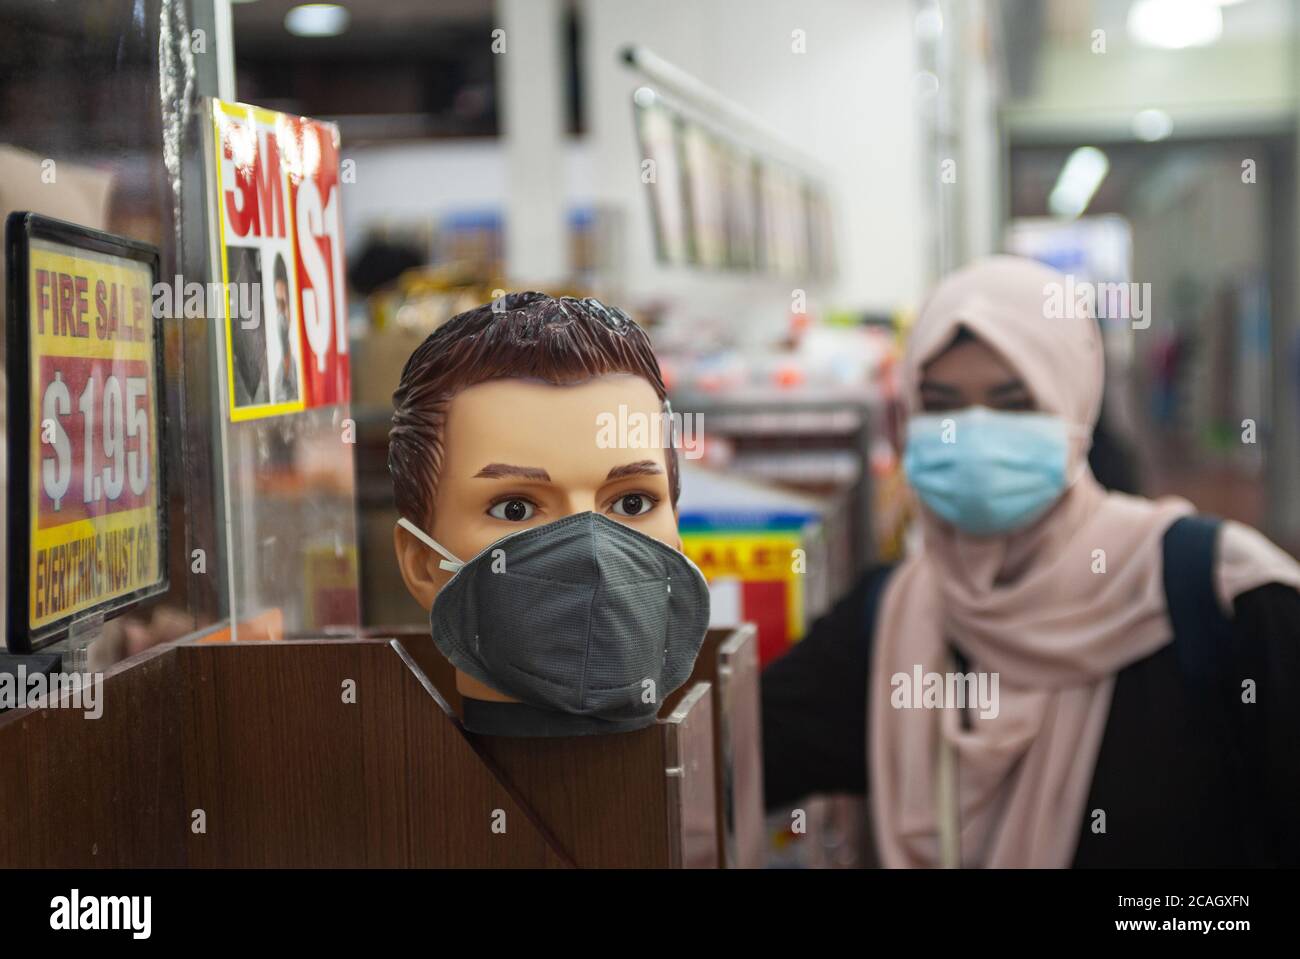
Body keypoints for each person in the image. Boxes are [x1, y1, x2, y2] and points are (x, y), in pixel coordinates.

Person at [762, 255, 1300, 868]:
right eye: (942, 405)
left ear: (1073, 405)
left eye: (1013, 404)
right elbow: (730, 752)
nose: (973, 434)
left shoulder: (1224, 598)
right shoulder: (890, 618)